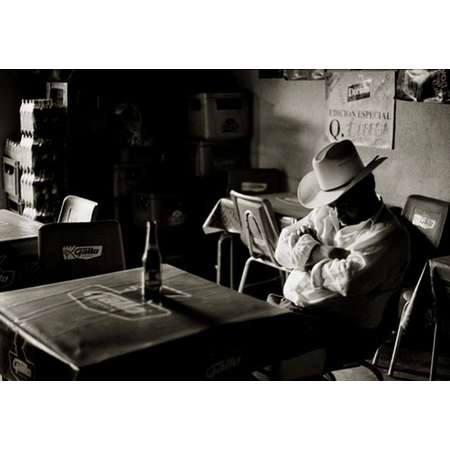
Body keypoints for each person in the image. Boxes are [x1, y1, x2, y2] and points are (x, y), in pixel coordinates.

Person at [273, 140, 410, 347]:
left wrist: (306, 257)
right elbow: (281, 248)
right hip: (292, 310)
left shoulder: (388, 235)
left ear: (368, 187)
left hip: (340, 328)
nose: (337, 213)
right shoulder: (325, 213)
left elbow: (348, 281)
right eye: (332, 204)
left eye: (345, 203)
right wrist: (322, 252)